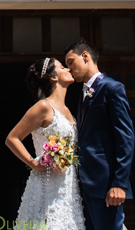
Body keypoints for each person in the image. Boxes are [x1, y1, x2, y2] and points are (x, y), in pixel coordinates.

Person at [6, 58, 84, 230]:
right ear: (53, 77)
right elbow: (12, 138)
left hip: (68, 187)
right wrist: (33, 163)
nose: (68, 69)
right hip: (46, 185)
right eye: (62, 67)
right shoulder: (43, 107)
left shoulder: (68, 110)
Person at [64, 39, 134, 230]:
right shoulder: (82, 95)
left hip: (106, 184)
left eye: (71, 62)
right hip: (85, 184)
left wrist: (120, 183)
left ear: (85, 56)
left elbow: (125, 138)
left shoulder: (112, 88)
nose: (69, 69)